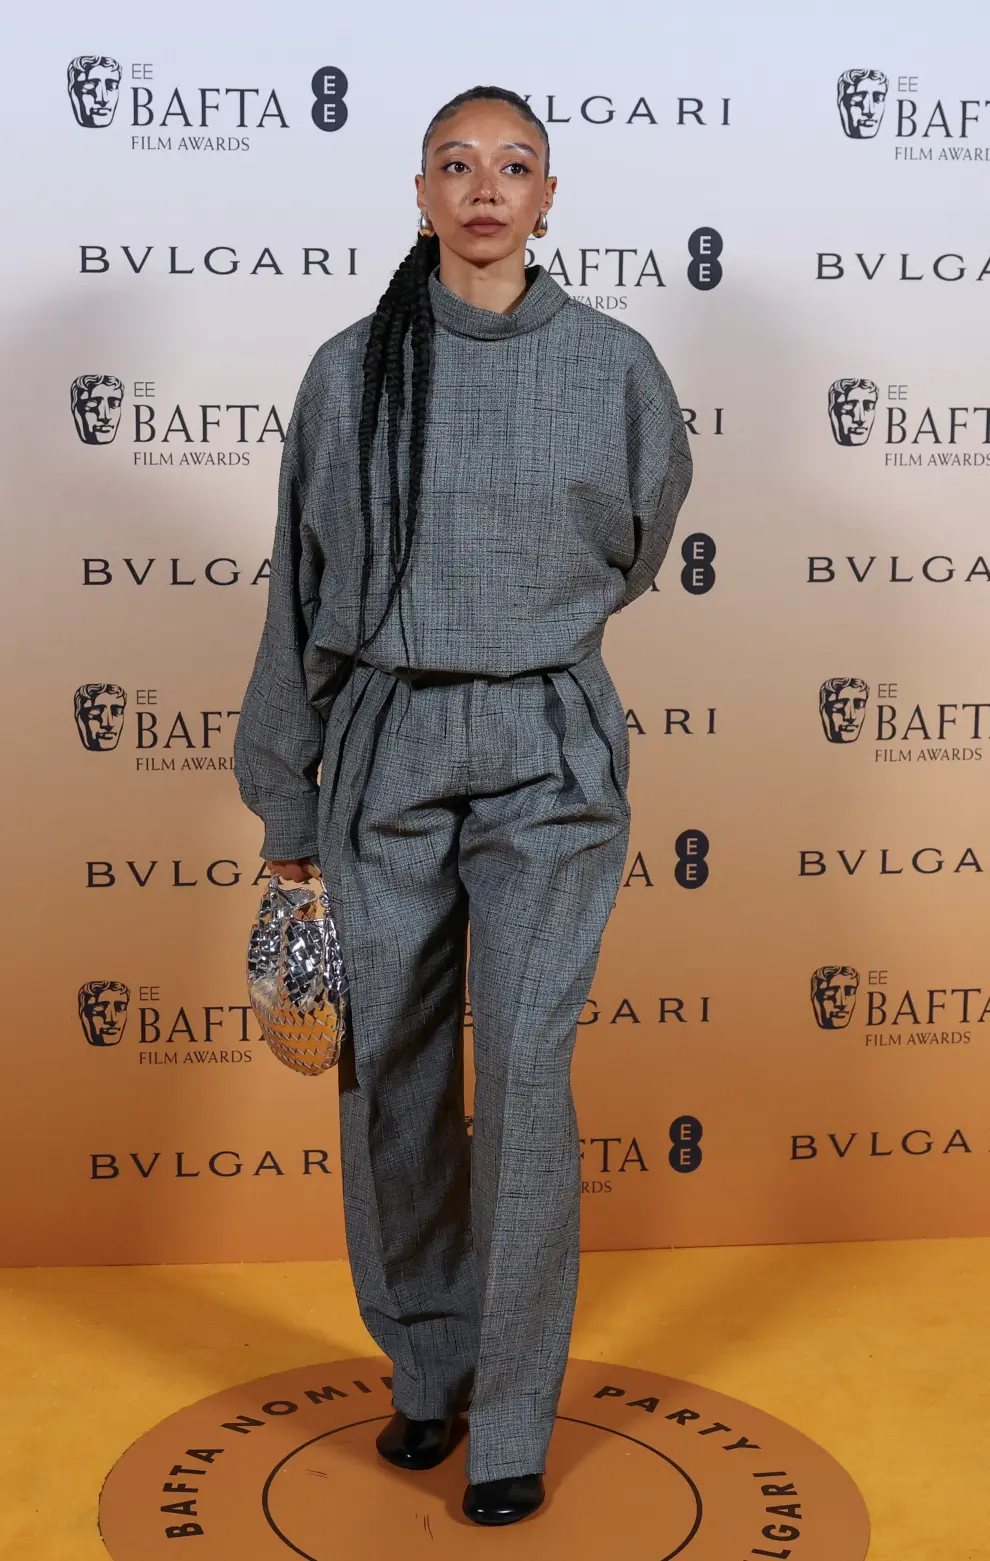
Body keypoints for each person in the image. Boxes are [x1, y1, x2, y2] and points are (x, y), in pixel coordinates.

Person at [233, 84, 692, 1526]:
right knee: (401, 1081)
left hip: (549, 750)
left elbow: (630, 543)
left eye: (513, 166)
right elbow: (300, 596)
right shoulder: (345, 369)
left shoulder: (615, 365)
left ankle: (508, 1417)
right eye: (455, 164)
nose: (484, 188)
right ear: (420, 192)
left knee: (532, 1082)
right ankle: (425, 1368)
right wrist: (286, 809)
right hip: (383, 744)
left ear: (549, 195)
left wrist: (517, 626)